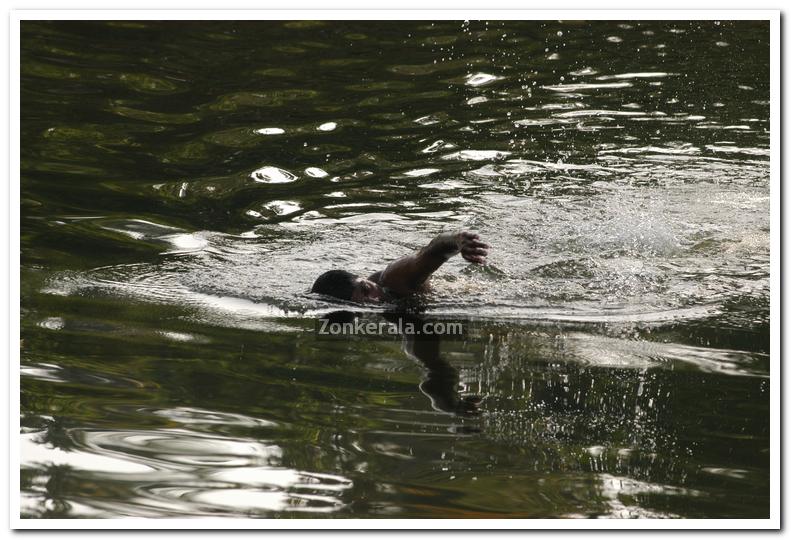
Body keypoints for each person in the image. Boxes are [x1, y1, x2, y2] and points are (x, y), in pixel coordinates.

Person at [311, 230, 489, 302]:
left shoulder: (394, 278)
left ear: (364, 278)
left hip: (482, 295)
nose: (374, 299)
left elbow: (430, 252)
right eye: (362, 305)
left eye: (366, 290)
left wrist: (459, 242)